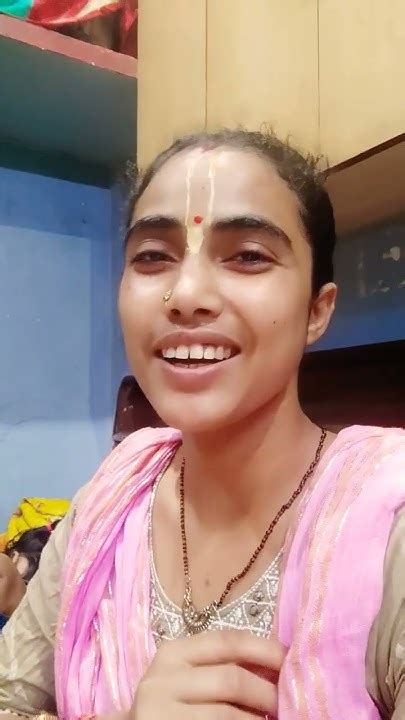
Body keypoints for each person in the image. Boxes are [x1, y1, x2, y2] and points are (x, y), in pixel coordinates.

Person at [0, 129, 404, 720]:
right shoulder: (108, 505)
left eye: (248, 256)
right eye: (152, 257)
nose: (185, 294)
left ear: (317, 310)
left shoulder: (391, 524)